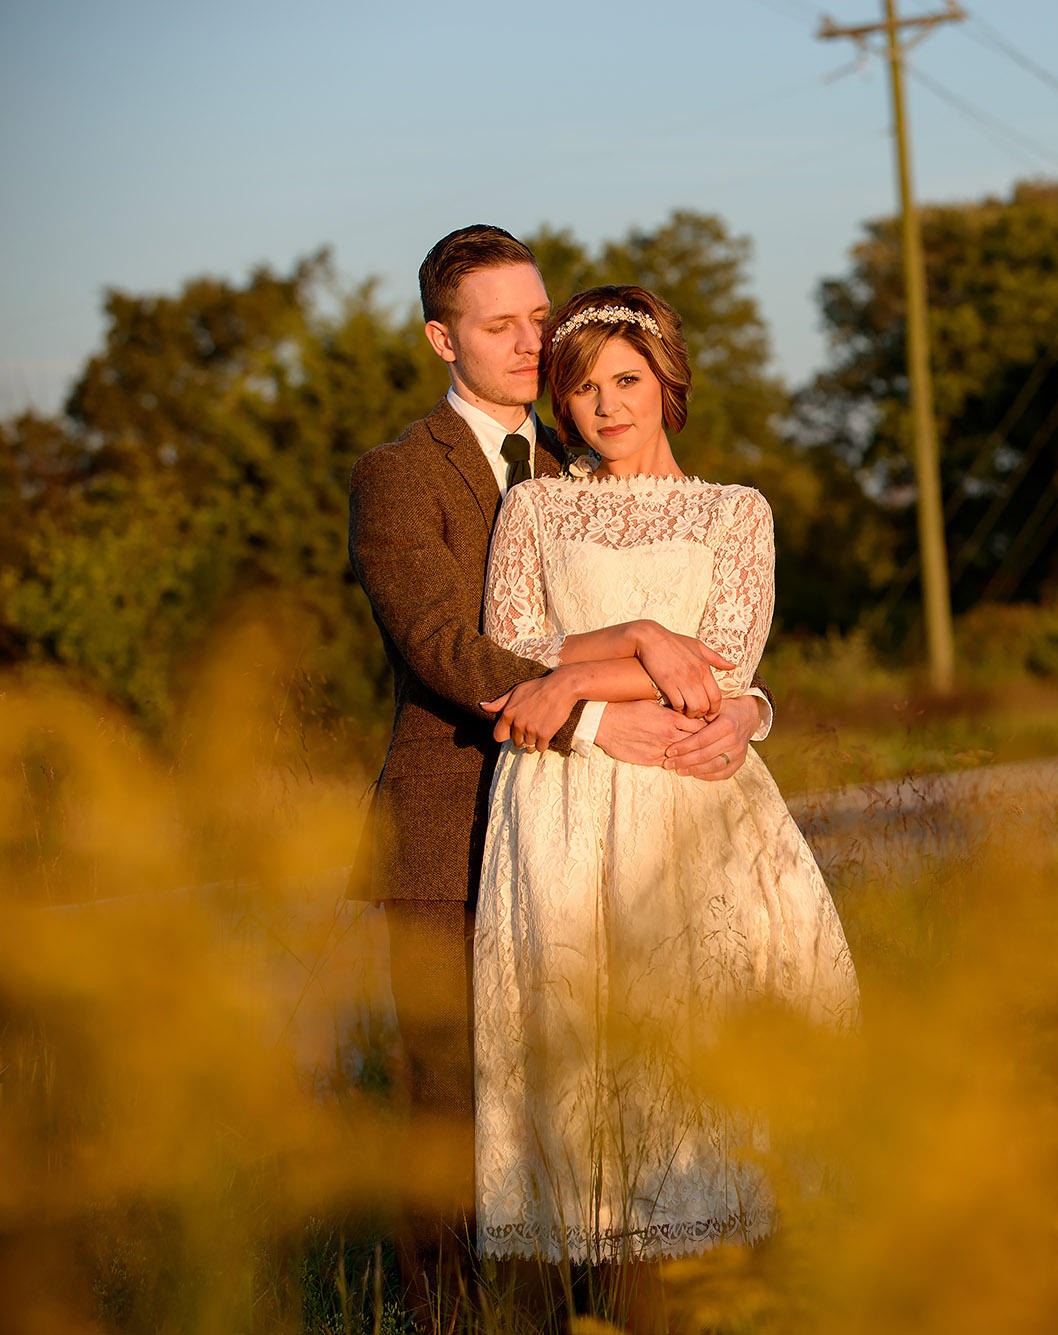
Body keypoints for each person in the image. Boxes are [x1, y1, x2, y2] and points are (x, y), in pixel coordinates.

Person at [346, 225, 772, 1330]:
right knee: (457, 1117)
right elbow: (452, 652)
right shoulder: (397, 476)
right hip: (455, 833)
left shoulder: (583, 454)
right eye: (501, 326)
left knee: (603, 1090)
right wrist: (615, 691)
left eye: (541, 318)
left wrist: (746, 711)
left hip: (611, 839)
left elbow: (719, 636)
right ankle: (455, 1322)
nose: (534, 344)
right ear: (442, 338)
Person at [471, 284, 858, 1288]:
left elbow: (722, 662)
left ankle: (735, 1281)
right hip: (561, 799)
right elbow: (507, 650)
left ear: (668, 385)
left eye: (628, 380)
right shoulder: (535, 507)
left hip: (691, 798)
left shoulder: (733, 513)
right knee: (583, 1046)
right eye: (584, 387)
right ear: (561, 402)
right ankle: (607, 1292)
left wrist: (571, 676)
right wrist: (616, 657)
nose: (607, 405)